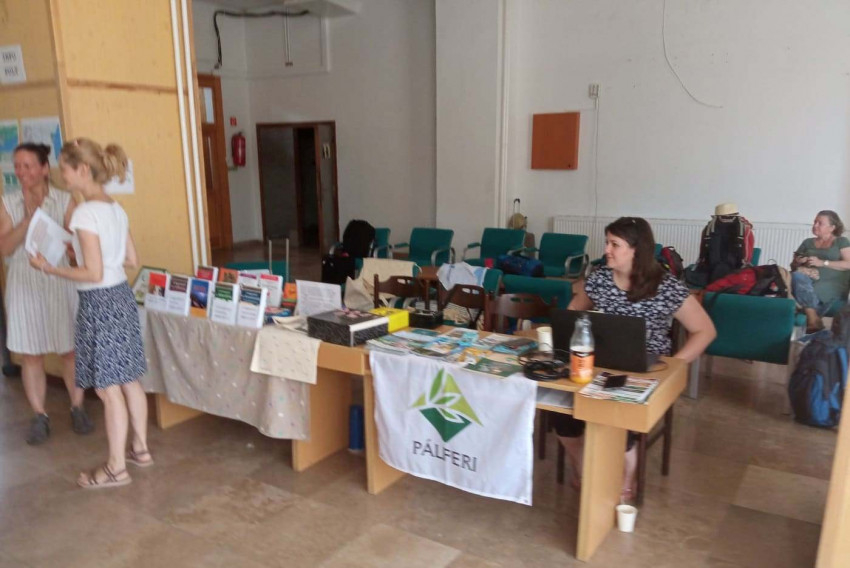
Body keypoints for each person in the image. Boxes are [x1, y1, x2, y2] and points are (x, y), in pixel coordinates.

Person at [553, 217, 716, 501]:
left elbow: (705, 331)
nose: (606, 250)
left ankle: (626, 476)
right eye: (607, 242)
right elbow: (573, 313)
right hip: (599, 363)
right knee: (559, 409)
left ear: (636, 249)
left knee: (619, 413)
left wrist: (674, 366)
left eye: (614, 244)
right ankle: (583, 466)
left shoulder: (665, 286)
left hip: (642, 370)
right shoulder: (600, 278)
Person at [29, 138, 152, 489]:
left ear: (83, 170)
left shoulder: (85, 213)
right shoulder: (115, 207)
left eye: (65, 169)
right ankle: (140, 449)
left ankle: (116, 468)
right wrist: (83, 253)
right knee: (129, 380)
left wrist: (48, 267)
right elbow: (131, 259)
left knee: (109, 389)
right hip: (121, 297)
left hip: (99, 302)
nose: (61, 176)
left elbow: (93, 273)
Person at [0, 142, 93, 444]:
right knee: (31, 353)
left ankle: (77, 406)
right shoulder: (8, 202)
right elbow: (4, 247)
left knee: (69, 349)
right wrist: (28, 221)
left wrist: (72, 248)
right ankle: (40, 415)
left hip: (59, 278)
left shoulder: (65, 199)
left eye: (27, 165)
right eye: (17, 166)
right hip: (24, 282)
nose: (21, 172)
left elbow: (79, 245)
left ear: (43, 168)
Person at [790, 210, 850, 333]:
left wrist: (822, 263)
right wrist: (800, 261)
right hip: (807, 279)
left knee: (803, 288)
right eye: (815, 222)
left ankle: (811, 318)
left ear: (832, 227)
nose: (815, 225)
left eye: (820, 223)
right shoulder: (807, 242)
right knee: (797, 276)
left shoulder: (841, 241)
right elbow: (793, 265)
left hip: (832, 282)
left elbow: (848, 264)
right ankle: (813, 318)